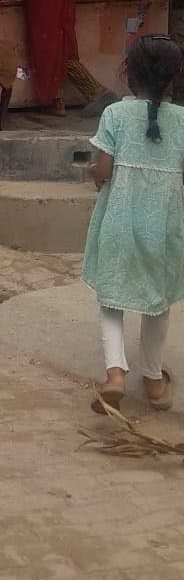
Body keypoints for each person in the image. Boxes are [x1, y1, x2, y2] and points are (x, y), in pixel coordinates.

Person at [82, 35, 184, 413]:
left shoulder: (114, 115)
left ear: (129, 72)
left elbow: (104, 172)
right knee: (158, 302)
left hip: (119, 223)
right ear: (173, 76)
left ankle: (115, 375)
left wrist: (94, 174)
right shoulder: (182, 122)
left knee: (111, 297)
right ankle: (154, 382)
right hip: (164, 228)